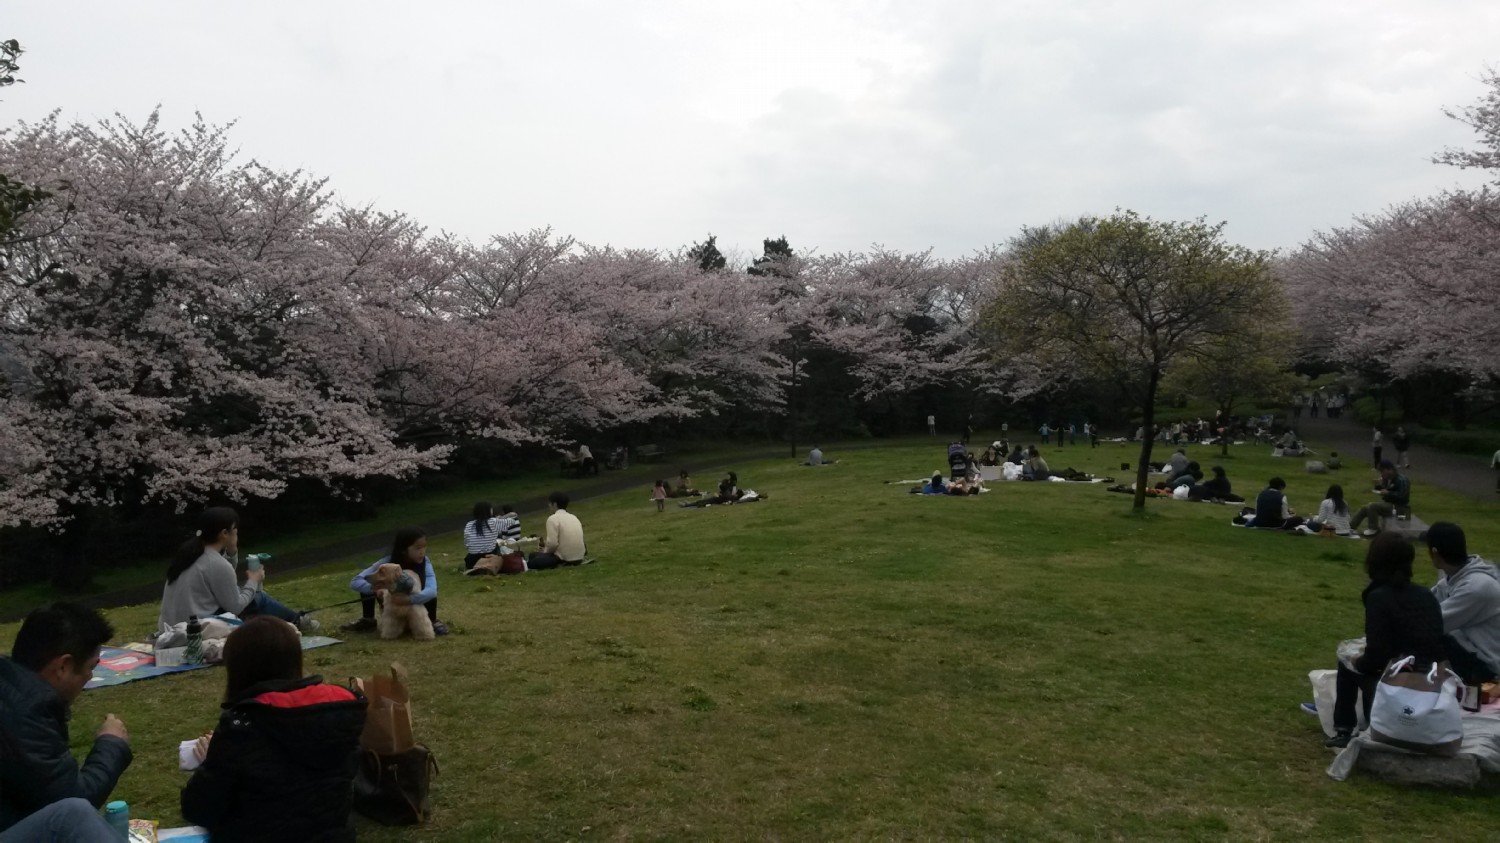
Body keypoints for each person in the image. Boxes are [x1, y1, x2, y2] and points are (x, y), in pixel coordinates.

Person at [180, 616, 367, 842]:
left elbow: (199, 809)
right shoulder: (340, 710)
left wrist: (211, 759)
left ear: (240, 670)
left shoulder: (244, 726)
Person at [0, 603, 132, 833]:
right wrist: (112, 744)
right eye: (91, 668)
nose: (90, 677)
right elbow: (73, 798)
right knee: (73, 815)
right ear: (63, 666)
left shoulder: (11, 686)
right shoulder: (25, 712)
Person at [1326, 534, 1445, 747]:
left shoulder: (1379, 597)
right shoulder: (1426, 594)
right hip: (1430, 677)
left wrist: (1357, 661)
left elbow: (1377, 655)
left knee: (1346, 663)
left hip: (1397, 679)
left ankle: (1344, 729)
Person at [159, 507, 316, 633]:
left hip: (170, 628)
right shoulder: (214, 562)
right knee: (258, 598)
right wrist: (253, 581)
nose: (237, 532)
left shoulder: (189, 555)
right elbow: (235, 606)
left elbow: (221, 577)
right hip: (196, 628)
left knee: (252, 597)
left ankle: (295, 621)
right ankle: (298, 620)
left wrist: (232, 551)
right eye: (234, 529)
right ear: (224, 533)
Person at [1426, 523, 1500, 685]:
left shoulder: (1476, 587)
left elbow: (1433, 623)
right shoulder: (1455, 578)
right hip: (1468, 651)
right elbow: (1425, 604)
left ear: (1434, 553)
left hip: (1487, 664)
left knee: (1426, 639)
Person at [343, 528, 448, 635]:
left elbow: (432, 591)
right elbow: (356, 581)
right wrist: (377, 590)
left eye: (424, 547)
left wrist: (408, 599)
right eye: (418, 548)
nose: (422, 552)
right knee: (372, 581)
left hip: (417, 605)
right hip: (391, 605)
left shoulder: (425, 563)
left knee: (428, 594)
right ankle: (368, 620)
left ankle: (432, 620)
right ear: (403, 550)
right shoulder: (386, 562)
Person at [1349, 461, 1410, 537]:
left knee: (1373, 506)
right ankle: (1350, 527)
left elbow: (1402, 495)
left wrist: (1388, 493)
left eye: (1382, 471)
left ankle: (1373, 529)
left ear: (1389, 469)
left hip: (1399, 507)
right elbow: (1386, 490)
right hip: (1389, 504)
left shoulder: (1402, 480)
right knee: (1365, 508)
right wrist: (1378, 486)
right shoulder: (1388, 479)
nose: (1381, 474)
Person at [530, 491, 588, 569]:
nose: (549, 506)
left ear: (555, 504)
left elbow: (552, 544)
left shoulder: (553, 519)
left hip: (563, 558)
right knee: (535, 556)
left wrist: (545, 552)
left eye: (550, 503)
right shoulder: (574, 517)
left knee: (533, 559)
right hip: (579, 556)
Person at [462, 501, 502, 570]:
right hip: (490, 559)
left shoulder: (469, 525)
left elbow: (466, 544)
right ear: (489, 511)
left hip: (472, 562)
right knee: (496, 544)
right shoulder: (494, 523)